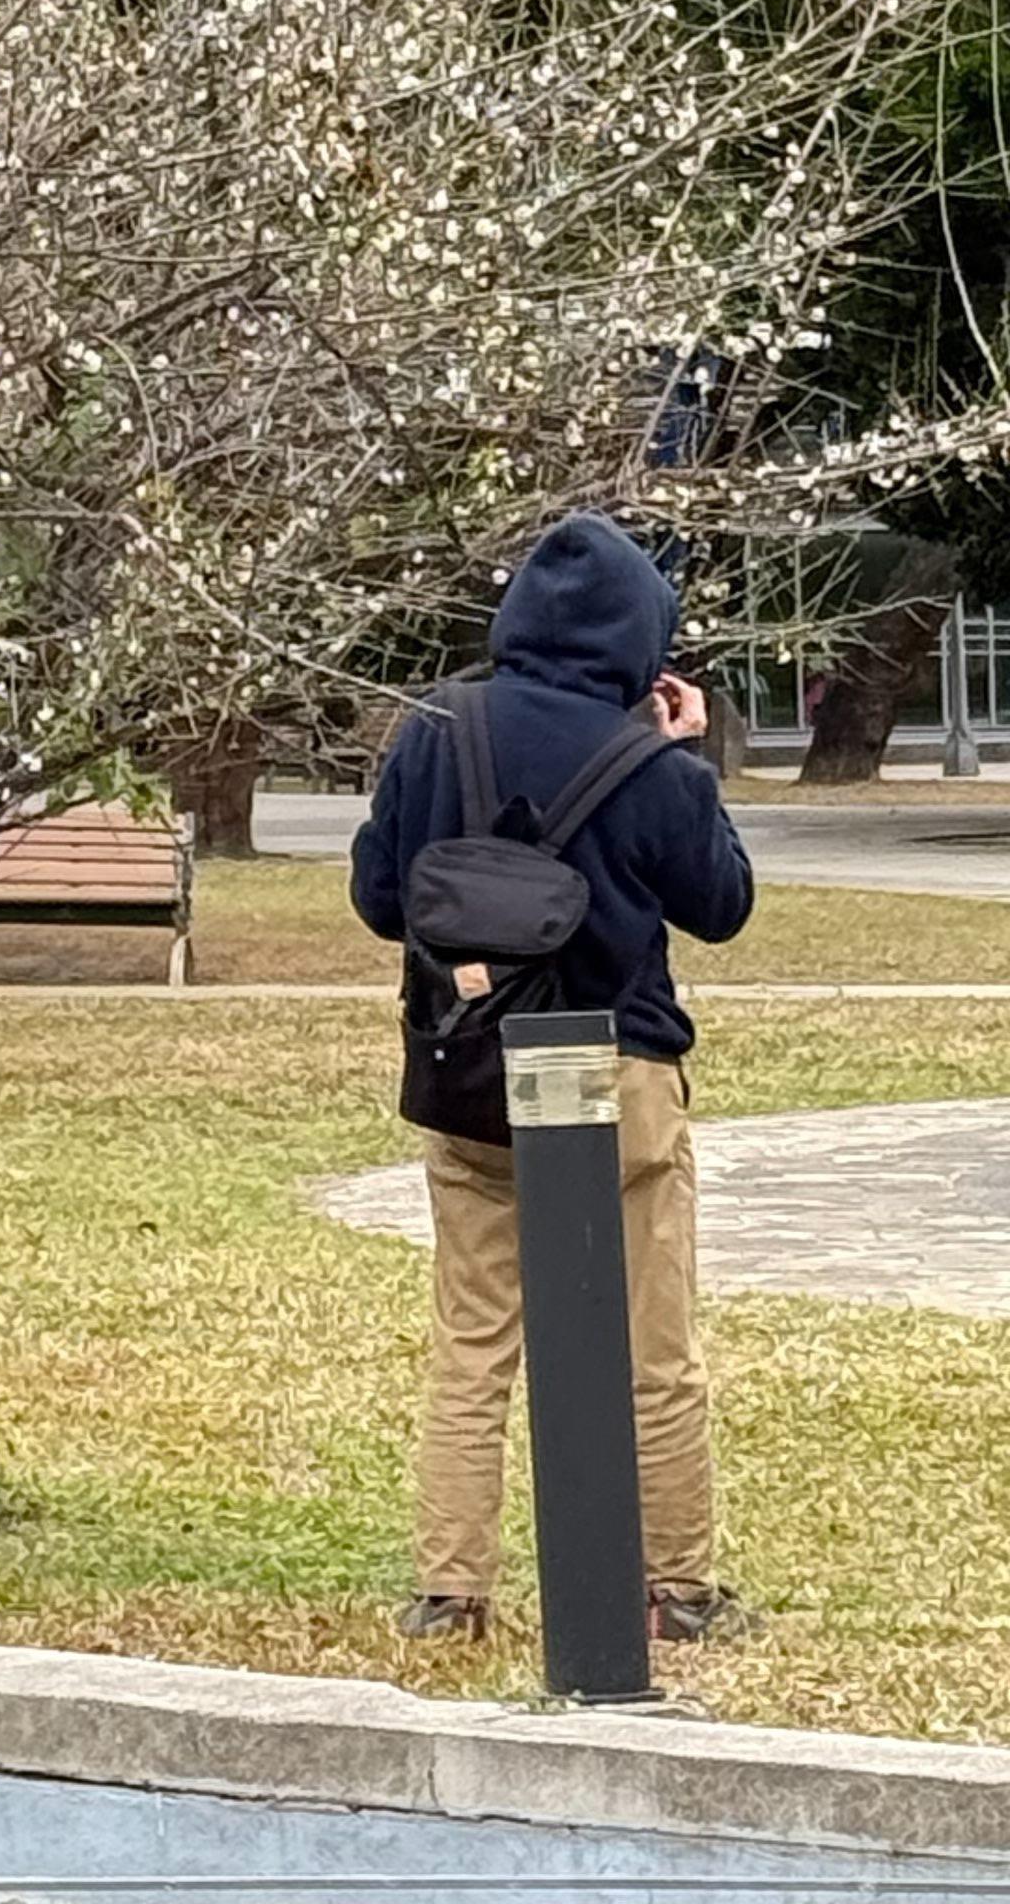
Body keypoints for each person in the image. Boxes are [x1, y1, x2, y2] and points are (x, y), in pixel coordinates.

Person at [350, 510, 756, 1650]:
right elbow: (721, 907)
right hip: (618, 1071)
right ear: (643, 639)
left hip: (472, 1072)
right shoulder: (647, 762)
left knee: (474, 1343)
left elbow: (383, 898)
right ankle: (673, 1588)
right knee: (652, 1349)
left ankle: (449, 1593)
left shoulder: (439, 728)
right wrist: (686, 758)